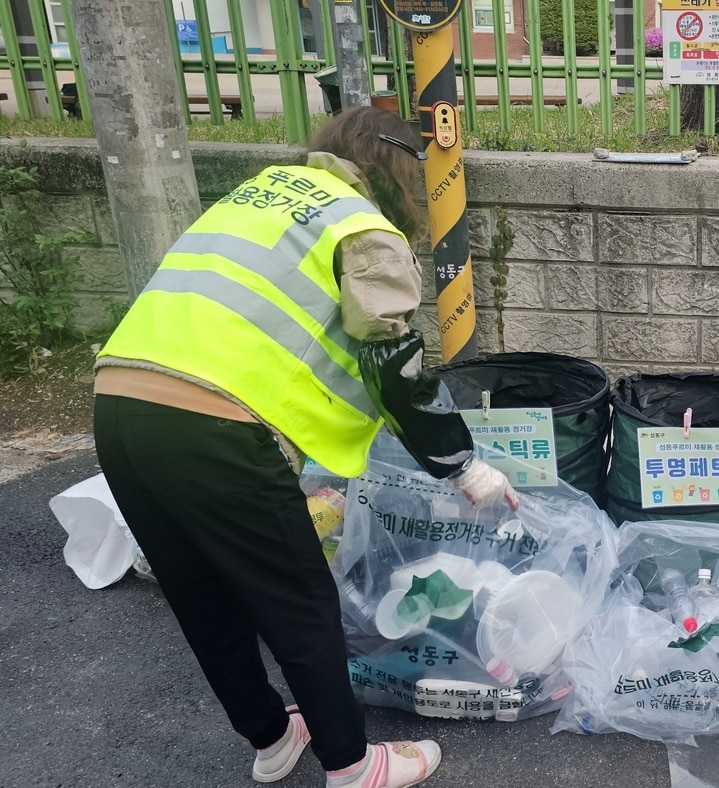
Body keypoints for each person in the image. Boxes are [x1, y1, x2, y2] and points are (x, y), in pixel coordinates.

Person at [92, 106, 518, 788]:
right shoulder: (362, 227)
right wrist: (466, 468)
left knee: (204, 600)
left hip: (119, 404)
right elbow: (395, 362)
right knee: (301, 604)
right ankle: (352, 764)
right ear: (403, 173)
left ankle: (272, 737)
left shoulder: (260, 196)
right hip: (216, 426)